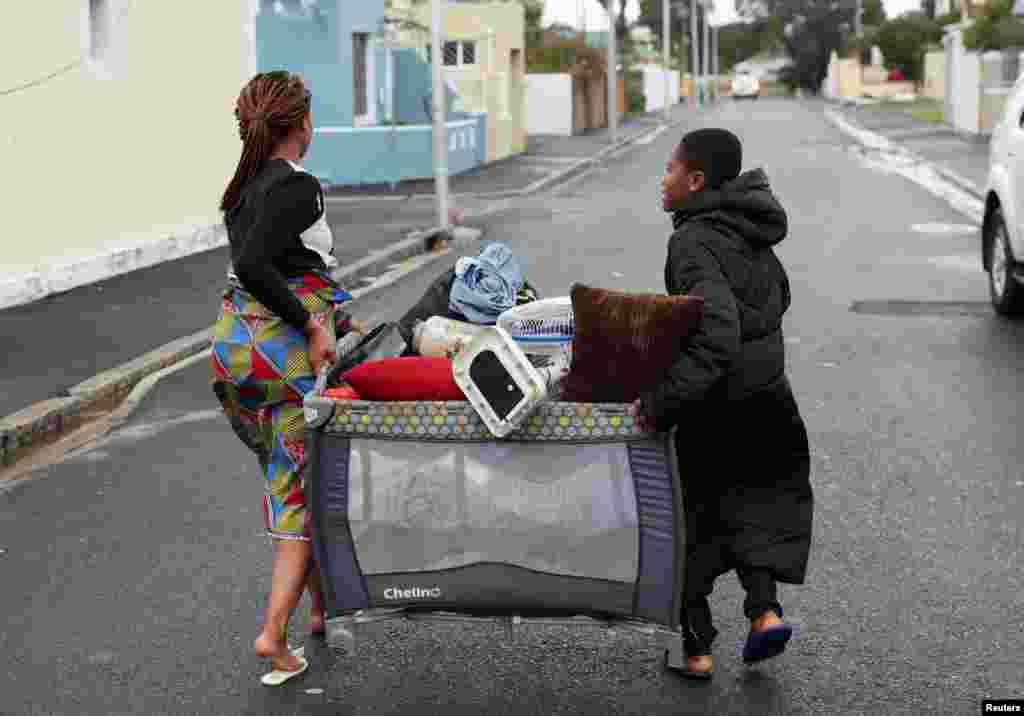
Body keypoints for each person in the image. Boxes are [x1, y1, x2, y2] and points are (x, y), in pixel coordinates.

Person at [632, 128, 814, 680]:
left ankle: (696, 650)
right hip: (769, 400)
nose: (662, 180)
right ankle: (763, 615)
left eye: (669, 169)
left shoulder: (692, 241)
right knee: (753, 511)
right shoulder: (748, 228)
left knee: (692, 523)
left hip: (717, 410)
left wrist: (662, 402)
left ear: (696, 180)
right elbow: (777, 297)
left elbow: (716, 331)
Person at [210, 71, 366, 684]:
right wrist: (314, 322)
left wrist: (338, 311)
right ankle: (274, 635)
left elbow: (280, 261)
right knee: (302, 487)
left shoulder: (240, 189)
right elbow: (256, 265)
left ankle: (322, 607)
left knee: (293, 470)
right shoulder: (300, 187)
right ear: (300, 124)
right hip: (285, 356)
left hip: (237, 356)